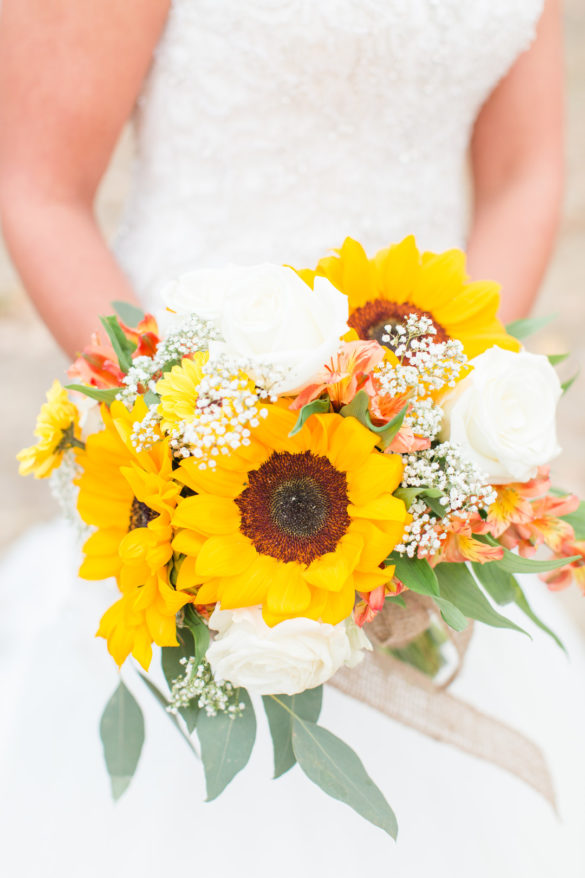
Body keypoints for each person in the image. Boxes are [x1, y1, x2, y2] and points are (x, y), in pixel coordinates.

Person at [0, 1, 584, 876]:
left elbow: (523, 175)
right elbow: (39, 189)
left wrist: (447, 421)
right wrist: (185, 431)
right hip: (194, 434)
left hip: (420, 432)